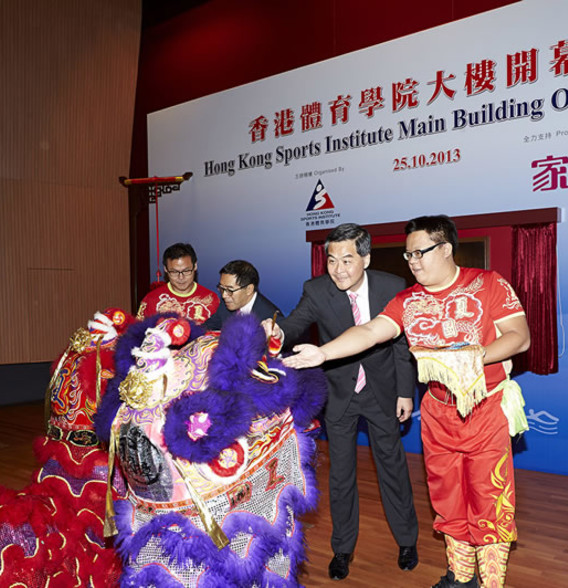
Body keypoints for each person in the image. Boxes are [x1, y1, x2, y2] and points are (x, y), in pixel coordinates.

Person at [282, 215, 530, 588]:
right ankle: (461, 578)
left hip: (485, 408)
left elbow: (519, 337)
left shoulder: (487, 284)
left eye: (420, 252)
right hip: (437, 412)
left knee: (488, 499)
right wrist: (323, 354)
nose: (412, 261)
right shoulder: (408, 300)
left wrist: (474, 357)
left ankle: (490, 583)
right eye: (407, 254)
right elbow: (369, 332)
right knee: (447, 500)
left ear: (445, 248)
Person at [263, 223, 419, 580]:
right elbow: (295, 322)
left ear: (365, 257)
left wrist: (405, 391)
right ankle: (343, 549)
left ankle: (407, 540)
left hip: (382, 391)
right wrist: (278, 332)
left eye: (347, 260)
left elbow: (401, 346)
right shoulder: (316, 290)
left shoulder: (393, 287)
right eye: (331, 260)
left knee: (392, 470)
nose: (338, 269)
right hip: (339, 394)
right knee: (342, 476)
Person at [136, 242, 219, 324]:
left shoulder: (212, 300)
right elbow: (137, 333)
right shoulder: (151, 300)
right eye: (174, 272)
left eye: (186, 271)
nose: (181, 278)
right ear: (166, 269)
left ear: (195, 266)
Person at [202, 260, 282, 330]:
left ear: (249, 289)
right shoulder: (226, 302)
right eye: (222, 288)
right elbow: (209, 326)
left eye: (230, 290)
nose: (224, 295)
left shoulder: (272, 318)